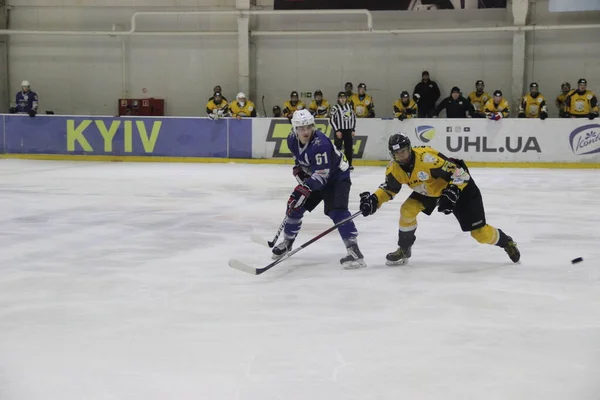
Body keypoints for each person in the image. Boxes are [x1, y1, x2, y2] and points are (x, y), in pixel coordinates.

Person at [358, 133, 520, 266]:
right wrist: (374, 200)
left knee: (479, 234)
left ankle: (507, 242)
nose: (402, 156)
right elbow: (389, 189)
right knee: (407, 210)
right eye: (397, 153)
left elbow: (460, 173)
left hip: (460, 187)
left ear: (410, 148)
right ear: (392, 155)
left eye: (404, 151)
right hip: (430, 189)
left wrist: (453, 190)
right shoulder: (394, 168)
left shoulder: (427, 159)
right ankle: (404, 248)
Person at [272, 109, 366, 269]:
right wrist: (299, 169)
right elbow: (301, 159)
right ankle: (287, 242)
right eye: (301, 128)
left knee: (337, 210)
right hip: (317, 174)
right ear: (295, 129)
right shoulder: (291, 140)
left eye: (309, 127)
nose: (306, 131)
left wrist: (305, 188)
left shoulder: (320, 144)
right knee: (296, 205)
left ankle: (355, 252)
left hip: (337, 177)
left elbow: (322, 176)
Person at [330, 92, 357, 170]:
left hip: (348, 130)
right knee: (337, 148)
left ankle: (349, 164)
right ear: (338, 98)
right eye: (341, 98)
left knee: (348, 148)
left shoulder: (349, 107)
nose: (342, 99)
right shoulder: (335, 108)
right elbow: (331, 120)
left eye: (344, 98)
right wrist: (337, 130)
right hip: (339, 130)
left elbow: (353, 118)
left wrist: (353, 129)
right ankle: (336, 164)